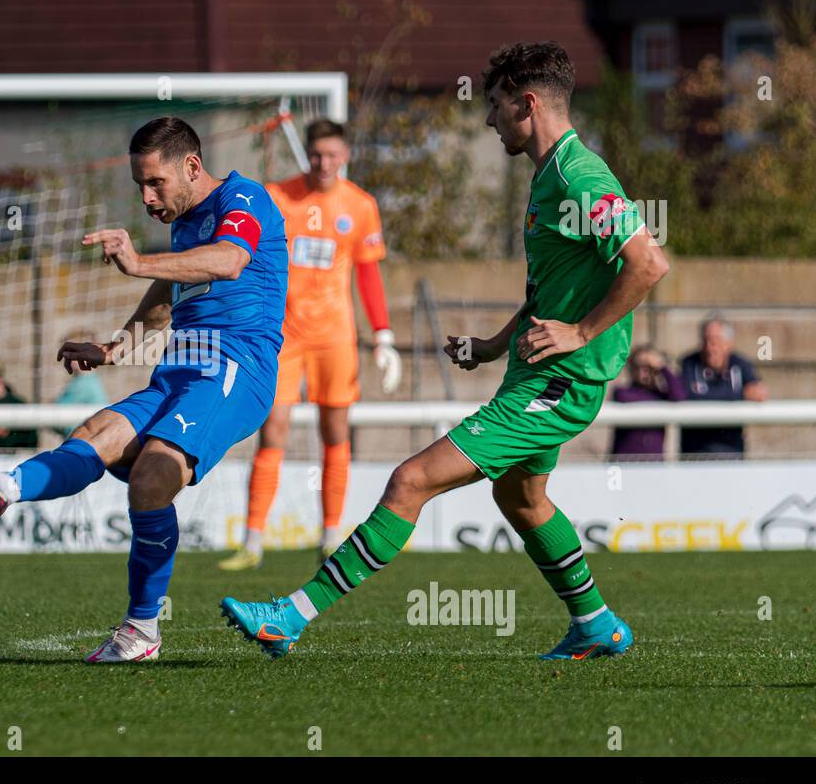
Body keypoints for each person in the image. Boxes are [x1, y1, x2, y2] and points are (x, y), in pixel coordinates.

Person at [221, 41, 669, 661]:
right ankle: (595, 623)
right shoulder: (551, 175)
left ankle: (289, 616)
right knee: (521, 499)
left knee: (409, 481)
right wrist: (494, 345)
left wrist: (581, 334)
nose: (488, 119)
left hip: (559, 383)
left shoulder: (579, 176)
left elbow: (648, 263)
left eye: (496, 105)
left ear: (527, 104)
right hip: (535, 374)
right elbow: (556, 289)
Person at [0, 116, 287, 662]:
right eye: (139, 185)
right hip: (181, 370)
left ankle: (142, 629)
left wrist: (135, 262)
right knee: (95, 433)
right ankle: (0, 487)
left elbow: (230, 262)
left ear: (192, 166)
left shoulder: (244, 198)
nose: (147, 197)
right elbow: (167, 293)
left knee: (153, 476)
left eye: (155, 183)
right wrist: (113, 350)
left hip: (236, 368)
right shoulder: (185, 221)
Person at [220, 118, 401, 572]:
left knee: (335, 431)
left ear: (345, 156)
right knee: (273, 428)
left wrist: (383, 335)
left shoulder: (360, 205)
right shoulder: (277, 197)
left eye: (332, 155)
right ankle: (253, 541)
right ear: (307, 154)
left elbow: (368, 273)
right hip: (282, 336)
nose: (324, 163)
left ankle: (330, 535)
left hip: (335, 337)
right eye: (317, 154)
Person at [679, 315, 766, 457]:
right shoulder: (688, 363)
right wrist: (740, 395)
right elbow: (686, 396)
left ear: (729, 343)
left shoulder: (740, 364)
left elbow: (759, 392)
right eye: (705, 341)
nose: (710, 347)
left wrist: (712, 395)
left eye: (715, 341)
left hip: (731, 453)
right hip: (695, 454)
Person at [609, 345, 685, 460]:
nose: (642, 371)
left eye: (647, 367)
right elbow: (629, 399)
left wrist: (662, 366)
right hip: (625, 463)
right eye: (637, 366)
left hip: (654, 464)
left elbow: (679, 396)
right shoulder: (622, 392)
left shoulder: (661, 395)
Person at [53, 329, 110, 437]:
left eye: (72, 353)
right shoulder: (90, 380)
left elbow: (55, 415)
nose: (68, 357)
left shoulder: (83, 384)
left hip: (84, 440)